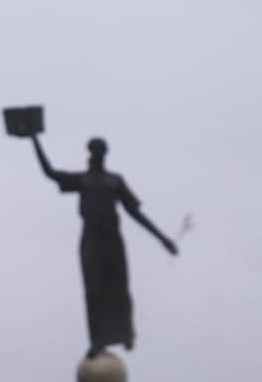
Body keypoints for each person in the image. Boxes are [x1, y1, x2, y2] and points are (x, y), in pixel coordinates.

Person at [30, 135, 178, 359]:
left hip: (112, 237)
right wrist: (34, 139)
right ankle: (97, 339)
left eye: (100, 151)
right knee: (93, 290)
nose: (96, 155)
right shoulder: (83, 180)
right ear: (89, 153)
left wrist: (163, 238)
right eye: (93, 151)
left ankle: (126, 333)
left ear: (104, 154)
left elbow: (135, 213)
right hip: (91, 238)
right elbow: (50, 173)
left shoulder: (115, 180)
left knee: (119, 286)